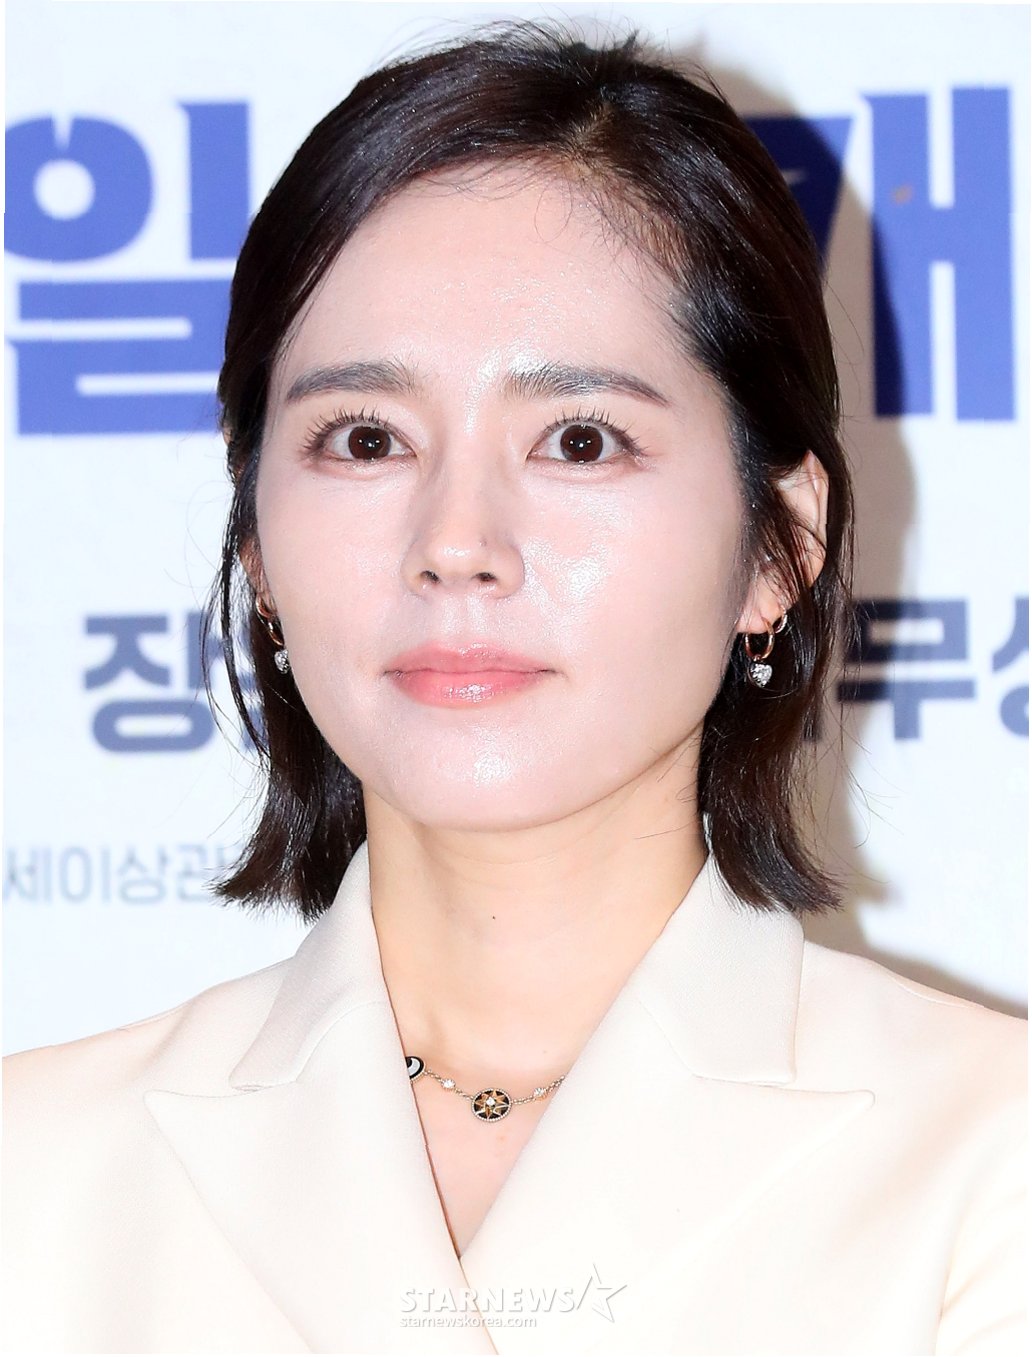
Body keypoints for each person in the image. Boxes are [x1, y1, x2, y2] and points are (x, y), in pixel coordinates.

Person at [2, 20, 1025, 1357]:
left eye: (580, 440)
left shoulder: (987, 1160)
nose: (456, 543)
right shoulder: (39, 1173)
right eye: (365, 438)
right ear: (256, 547)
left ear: (780, 545)